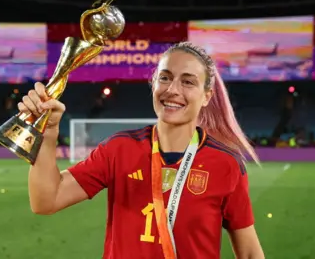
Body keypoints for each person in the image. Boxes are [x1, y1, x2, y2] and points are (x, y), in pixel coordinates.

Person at [18, 41, 265, 259]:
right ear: (153, 83)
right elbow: (45, 201)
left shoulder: (225, 164)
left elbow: (250, 252)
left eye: (188, 81)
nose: (173, 90)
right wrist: (48, 133)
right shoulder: (119, 149)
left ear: (206, 96)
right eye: (165, 77)